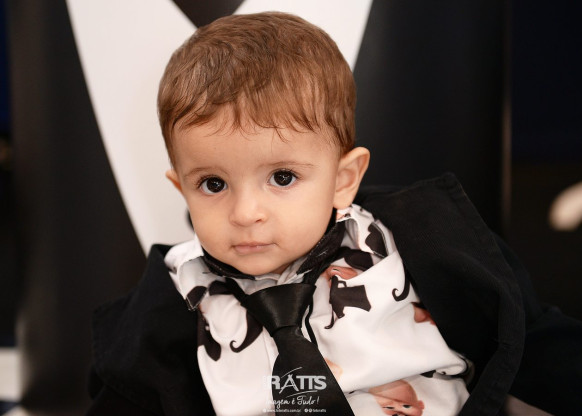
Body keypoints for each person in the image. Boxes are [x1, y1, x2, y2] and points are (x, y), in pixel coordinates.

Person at [86, 11, 582, 416]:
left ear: (344, 179)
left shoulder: (422, 245)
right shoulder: (170, 304)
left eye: (282, 178)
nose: (246, 212)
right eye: (213, 184)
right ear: (181, 188)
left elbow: (538, 343)